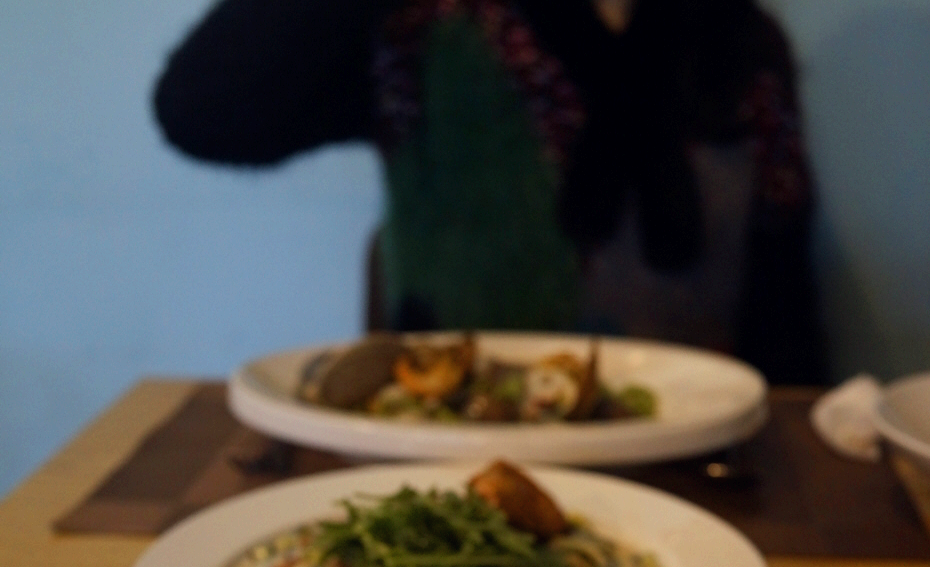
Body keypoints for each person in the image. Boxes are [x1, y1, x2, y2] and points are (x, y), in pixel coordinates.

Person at [153, 0, 827, 383]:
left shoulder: (744, 42)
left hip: (688, 478)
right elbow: (204, 111)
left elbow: (781, 294)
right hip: (445, 471)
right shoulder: (426, 26)